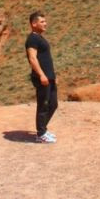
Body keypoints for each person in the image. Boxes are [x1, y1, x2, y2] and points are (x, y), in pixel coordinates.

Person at [25, 10, 58, 143]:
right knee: (43, 105)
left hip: (49, 77)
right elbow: (32, 58)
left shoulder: (40, 37)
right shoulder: (32, 38)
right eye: (42, 21)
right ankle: (41, 134)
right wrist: (41, 75)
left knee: (53, 104)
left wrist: (52, 76)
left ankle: (43, 129)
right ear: (34, 23)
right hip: (42, 77)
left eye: (45, 21)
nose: (45, 24)